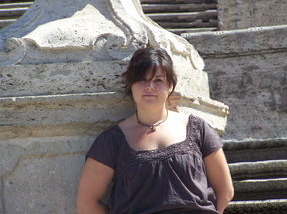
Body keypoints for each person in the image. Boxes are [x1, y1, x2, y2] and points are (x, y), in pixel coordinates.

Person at [76, 47, 234, 214]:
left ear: (170, 85)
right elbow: (87, 204)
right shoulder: (111, 141)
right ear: (131, 86)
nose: (149, 87)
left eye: (158, 80)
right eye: (142, 80)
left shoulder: (197, 128)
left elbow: (225, 191)